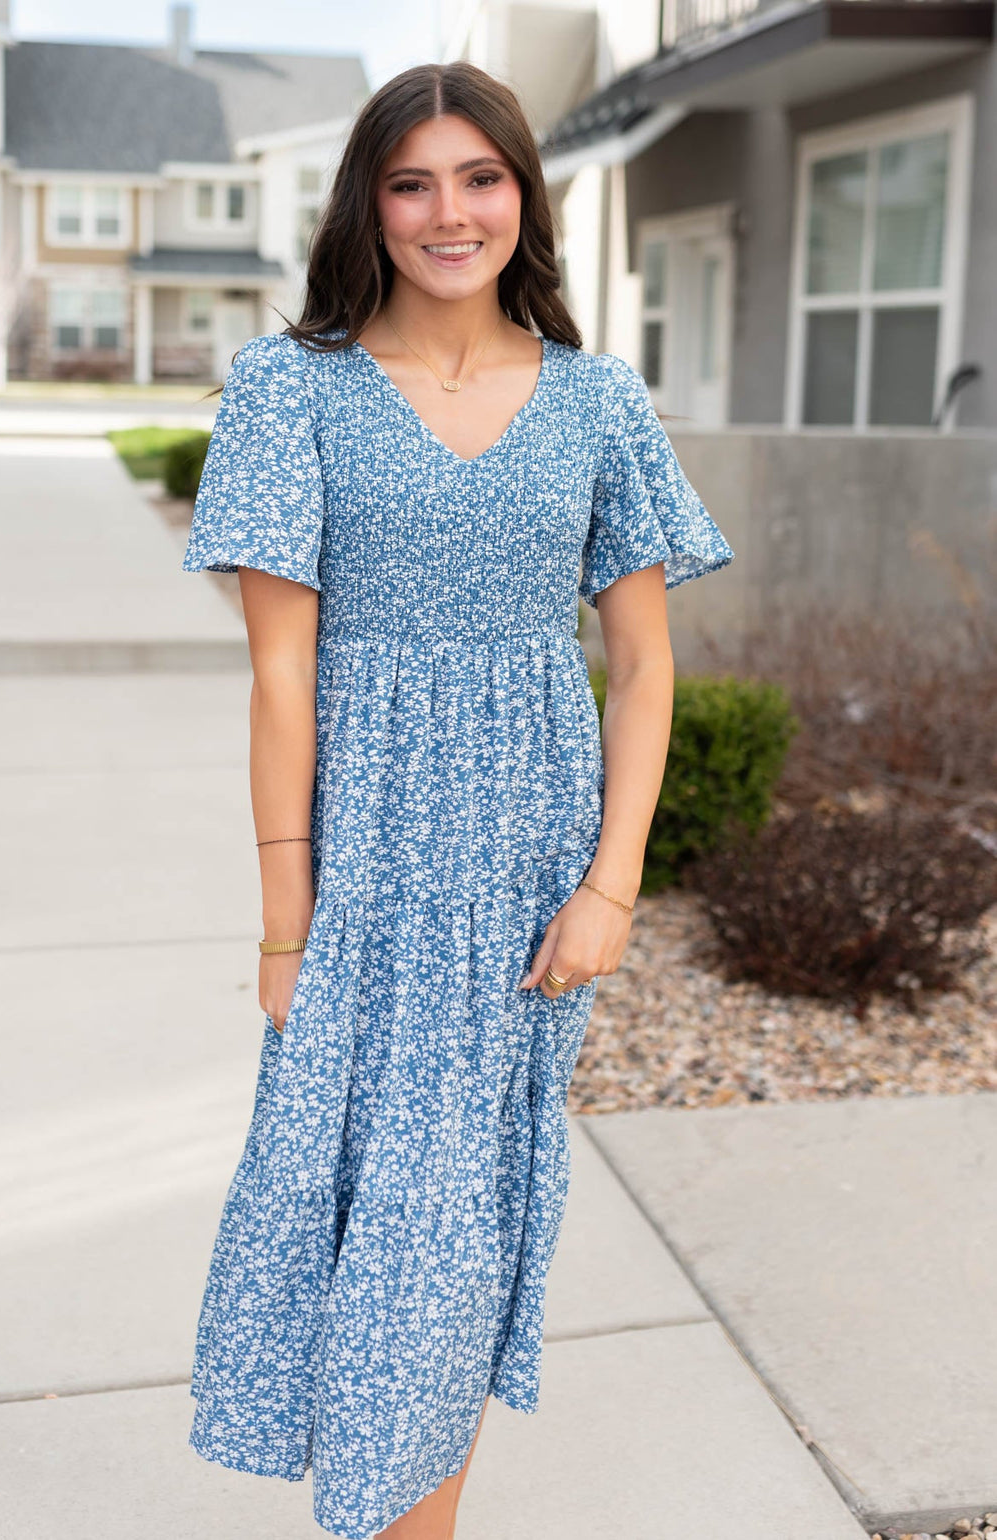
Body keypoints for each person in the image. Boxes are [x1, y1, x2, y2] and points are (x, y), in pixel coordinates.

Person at [180, 59, 734, 1540]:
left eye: (479, 177)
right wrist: (287, 919)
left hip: (527, 881)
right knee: (361, 1220)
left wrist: (613, 882)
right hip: (362, 874)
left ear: (522, 196)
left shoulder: (599, 401)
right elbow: (282, 678)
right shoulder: (285, 390)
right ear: (369, 199)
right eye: (411, 180)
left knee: (456, 1228)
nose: (447, 212)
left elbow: (641, 664)